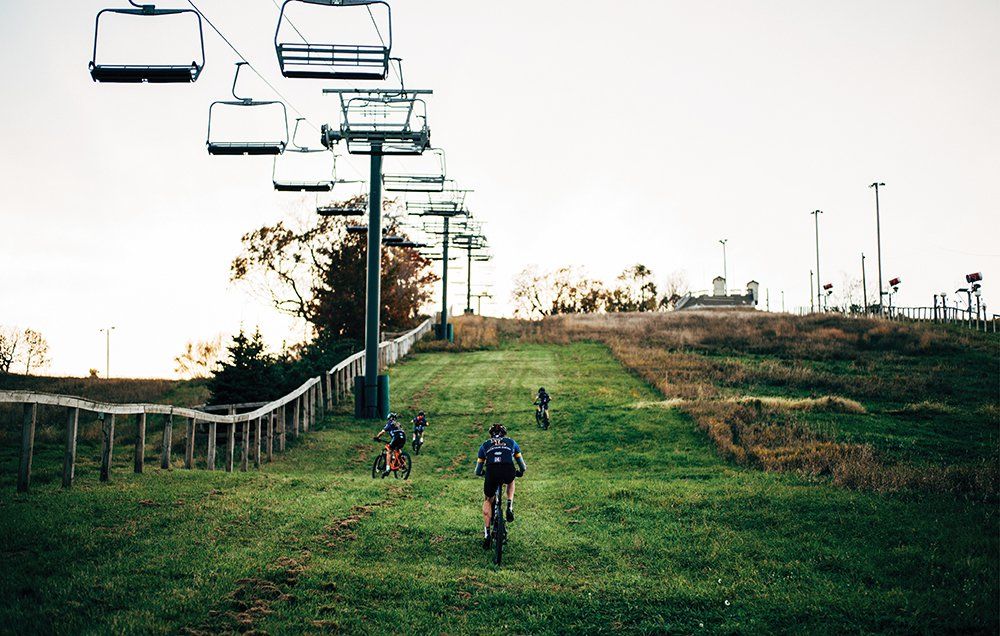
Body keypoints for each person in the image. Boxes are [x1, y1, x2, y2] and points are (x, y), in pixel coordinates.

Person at [474, 423, 526, 549]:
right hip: (508, 469)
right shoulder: (511, 442)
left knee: (488, 499)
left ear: (491, 434)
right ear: (504, 434)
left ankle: (487, 535)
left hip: (491, 471)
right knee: (511, 479)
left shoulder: (485, 445)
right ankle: (509, 505)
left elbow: (477, 471)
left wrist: (483, 473)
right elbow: (522, 465)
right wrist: (521, 471)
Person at [373, 413, 406, 477]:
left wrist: (377, 437)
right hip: (403, 438)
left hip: (396, 437)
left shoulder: (389, 423)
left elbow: (382, 432)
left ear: (389, 418)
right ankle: (402, 462)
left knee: (389, 451)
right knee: (398, 449)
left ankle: (387, 468)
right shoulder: (398, 424)